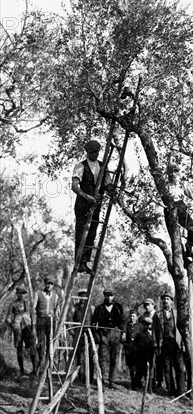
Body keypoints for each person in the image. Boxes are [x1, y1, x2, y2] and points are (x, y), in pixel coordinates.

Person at [72, 139, 114, 275]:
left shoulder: (102, 166)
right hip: (82, 204)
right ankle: (79, 263)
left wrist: (114, 190)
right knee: (81, 232)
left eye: (96, 152)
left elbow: (107, 184)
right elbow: (74, 186)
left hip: (96, 205)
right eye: (91, 152)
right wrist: (86, 196)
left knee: (91, 233)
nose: (94, 154)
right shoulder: (80, 166)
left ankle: (85, 263)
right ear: (87, 152)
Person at [165, 163, 193, 262]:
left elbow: (192, 193)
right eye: (171, 172)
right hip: (169, 210)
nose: (173, 174)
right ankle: (182, 260)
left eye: (175, 171)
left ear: (178, 173)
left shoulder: (181, 184)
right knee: (175, 239)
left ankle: (189, 249)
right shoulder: (164, 185)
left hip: (180, 208)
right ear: (168, 173)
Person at [91, 288, 125, 388]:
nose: (109, 297)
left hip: (115, 334)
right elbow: (94, 323)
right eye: (107, 295)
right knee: (103, 358)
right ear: (104, 296)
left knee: (114, 358)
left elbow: (122, 321)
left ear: (113, 296)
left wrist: (122, 333)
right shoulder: (99, 308)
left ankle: (112, 381)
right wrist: (97, 335)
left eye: (111, 295)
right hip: (103, 335)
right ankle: (101, 380)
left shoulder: (118, 307)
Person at [5, 286, 37, 376]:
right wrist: (13, 326)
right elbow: (7, 318)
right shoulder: (13, 305)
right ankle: (22, 370)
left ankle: (34, 370)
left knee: (32, 346)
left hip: (28, 327)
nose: (22, 295)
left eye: (23, 293)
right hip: (18, 328)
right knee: (19, 348)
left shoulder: (28, 304)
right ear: (17, 294)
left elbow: (33, 315)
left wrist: (33, 327)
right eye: (20, 293)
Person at [159, 290, 186, 397]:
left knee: (180, 368)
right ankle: (171, 391)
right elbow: (156, 331)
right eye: (164, 299)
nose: (165, 301)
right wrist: (157, 345)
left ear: (171, 301)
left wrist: (183, 344)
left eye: (168, 299)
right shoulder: (158, 315)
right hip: (164, 345)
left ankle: (181, 392)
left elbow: (183, 330)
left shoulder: (177, 314)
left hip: (177, 345)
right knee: (167, 369)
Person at [32, 277, 61, 373]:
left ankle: (48, 366)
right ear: (45, 283)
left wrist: (57, 319)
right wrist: (33, 322)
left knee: (50, 343)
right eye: (48, 283)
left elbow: (57, 309)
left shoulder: (55, 296)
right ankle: (39, 366)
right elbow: (33, 309)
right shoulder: (38, 293)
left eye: (51, 284)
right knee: (40, 343)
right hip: (41, 320)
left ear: (53, 285)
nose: (49, 285)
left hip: (51, 321)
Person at [72, 289, 95, 385]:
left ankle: (89, 378)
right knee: (79, 356)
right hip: (78, 333)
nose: (83, 298)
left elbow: (93, 321)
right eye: (81, 296)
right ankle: (80, 377)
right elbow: (70, 320)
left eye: (85, 296)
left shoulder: (91, 308)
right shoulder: (75, 308)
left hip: (89, 333)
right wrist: (73, 333)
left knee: (90, 356)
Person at [142, 298, 163, 389]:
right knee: (148, 363)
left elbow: (160, 331)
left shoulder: (158, 315)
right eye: (145, 305)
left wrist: (159, 343)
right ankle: (150, 382)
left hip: (157, 342)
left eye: (148, 305)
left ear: (153, 305)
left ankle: (159, 382)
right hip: (146, 343)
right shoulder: (143, 316)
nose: (147, 307)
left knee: (158, 363)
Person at [133, 316, 155, 392]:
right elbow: (135, 346)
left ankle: (149, 388)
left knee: (148, 373)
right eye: (145, 324)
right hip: (140, 357)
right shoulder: (139, 335)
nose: (147, 326)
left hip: (149, 357)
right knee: (139, 372)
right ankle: (137, 386)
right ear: (142, 325)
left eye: (149, 325)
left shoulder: (151, 335)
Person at [123, 309, 142, 389]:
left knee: (138, 366)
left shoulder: (140, 326)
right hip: (129, 348)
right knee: (131, 366)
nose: (132, 318)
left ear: (137, 317)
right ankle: (133, 384)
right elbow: (123, 336)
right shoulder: (126, 325)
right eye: (130, 316)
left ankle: (138, 383)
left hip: (137, 349)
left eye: (134, 316)